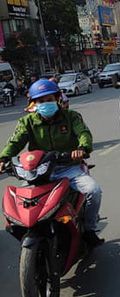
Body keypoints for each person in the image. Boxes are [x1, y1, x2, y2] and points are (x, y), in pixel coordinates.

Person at [0, 79, 104, 248]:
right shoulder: (27, 122)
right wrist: (4, 158)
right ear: (34, 103)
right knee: (21, 204)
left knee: (94, 191)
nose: (45, 104)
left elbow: (84, 134)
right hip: (37, 172)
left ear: (57, 98)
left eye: (49, 100)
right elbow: (15, 142)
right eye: (41, 101)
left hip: (68, 168)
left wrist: (82, 148)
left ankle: (89, 230)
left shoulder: (71, 117)